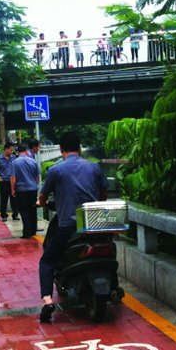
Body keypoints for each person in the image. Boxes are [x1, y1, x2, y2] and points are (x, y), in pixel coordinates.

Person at [37, 132, 108, 322]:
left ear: (61, 150)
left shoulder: (56, 170)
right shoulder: (94, 167)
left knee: (47, 261)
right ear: (80, 148)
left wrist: (42, 203)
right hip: (94, 224)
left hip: (68, 226)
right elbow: (103, 193)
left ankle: (47, 301)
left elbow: (43, 197)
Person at [11, 143, 39, 238]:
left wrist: (13, 189)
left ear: (18, 152)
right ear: (26, 151)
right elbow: (37, 177)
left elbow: (13, 178)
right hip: (33, 189)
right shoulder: (33, 161)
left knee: (24, 211)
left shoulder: (15, 162)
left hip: (21, 190)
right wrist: (35, 185)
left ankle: (27, 232)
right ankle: (33, 230)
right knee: (33, 210)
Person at [0, 143, 19, 221]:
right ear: (6, 149)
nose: (12, 151)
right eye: (11, 150)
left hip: (13, 181)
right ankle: (3, 215)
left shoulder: (13, 157)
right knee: (4, 199)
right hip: (4, 182)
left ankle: (15, 215)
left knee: (14, 199)